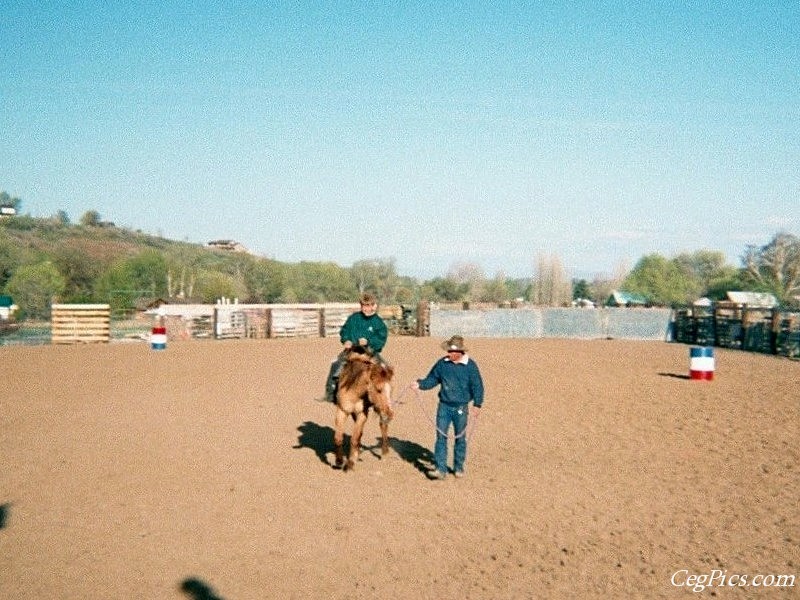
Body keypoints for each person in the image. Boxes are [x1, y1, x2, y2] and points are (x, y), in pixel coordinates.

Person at [412, 335, 484, 479]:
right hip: (444, 406)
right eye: (449, 351)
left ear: (460, 352)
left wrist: (477, 404)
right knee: (441, 437)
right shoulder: (442, 364)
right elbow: (432, 379)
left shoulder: (470, 366)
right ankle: (441, 469)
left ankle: (458, 467)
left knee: (460, 438)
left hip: (461, 408)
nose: (450, 354)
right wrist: (419, 384)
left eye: (453, 352)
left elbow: (477, 386)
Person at [318, 292, 389, 403]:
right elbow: (344, 331)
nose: (366, 308)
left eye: (368, 305)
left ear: (373, 306)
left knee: (385, 370)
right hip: (352, 351)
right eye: (363, 306)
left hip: (370, 352)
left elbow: (381, 339)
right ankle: (330, 393)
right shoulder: (353, 318)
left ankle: (384, 401)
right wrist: (346, 340)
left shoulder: (378, 323)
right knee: (336, 366)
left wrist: (368, 342)